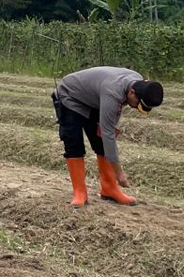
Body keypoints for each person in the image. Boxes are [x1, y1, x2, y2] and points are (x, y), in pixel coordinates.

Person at [52, 66, 164, 208]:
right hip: (70, 95)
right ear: (132, 92)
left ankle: (109, 189)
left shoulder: (136, 79)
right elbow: (108, 133)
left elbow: (108, 129)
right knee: (74, 142)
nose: (136, 108)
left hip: (94, 98)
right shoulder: (113, 92)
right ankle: (79, 193)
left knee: (100, 142)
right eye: (137, 104)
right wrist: (119, 173)